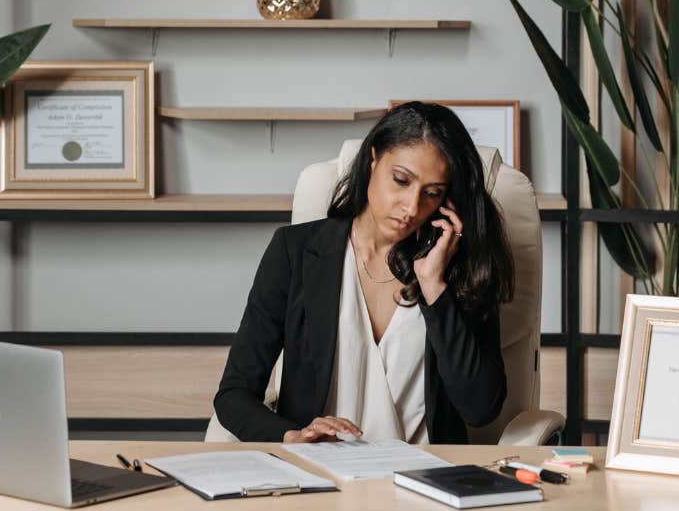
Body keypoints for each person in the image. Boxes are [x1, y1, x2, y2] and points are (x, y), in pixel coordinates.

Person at [214, 102, 514, 445]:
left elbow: (480, 409)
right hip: (322, 477)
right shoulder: (295, 252)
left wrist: (434, 286)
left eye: (432, 194)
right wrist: (291, 436)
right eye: (401, 180)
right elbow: (233, 395)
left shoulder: (458, 267)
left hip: (428, 481)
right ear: (373, 160)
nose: (412, 207)